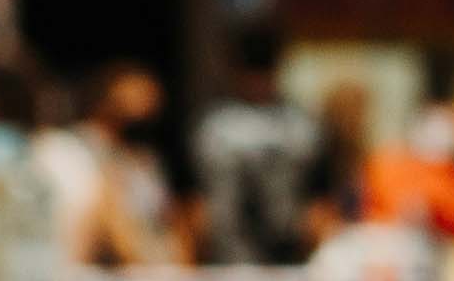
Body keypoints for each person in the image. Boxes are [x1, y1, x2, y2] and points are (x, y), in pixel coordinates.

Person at [192, 23, 321, 264]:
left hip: (289, 260)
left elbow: (318, 205)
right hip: (228, 260)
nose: (257, 81)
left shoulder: (300, 126)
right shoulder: (214, 128)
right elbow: (195, 207)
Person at [30, 62, 173, 267]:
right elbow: (111, 223)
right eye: (133, 100)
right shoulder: (73, 150)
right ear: (106, 100)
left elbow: (163, 220)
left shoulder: (144, 157)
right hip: (107, 272)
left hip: (154, 268)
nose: (144, 110)